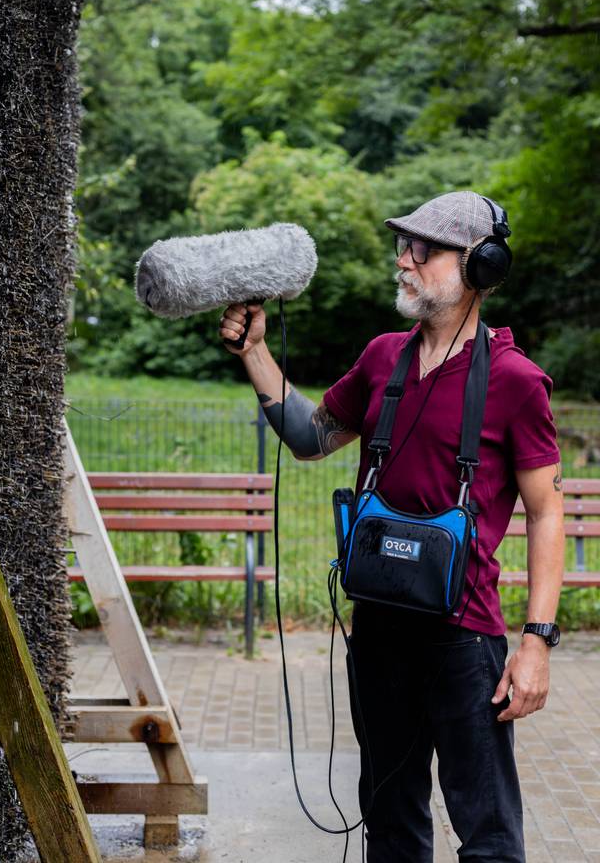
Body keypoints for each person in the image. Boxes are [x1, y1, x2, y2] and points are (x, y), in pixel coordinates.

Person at [219, 191, 565, 863]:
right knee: (390, 821)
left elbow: (547, 511)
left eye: (422, 249)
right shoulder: (382, 358)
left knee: (488, 833)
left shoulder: (518, 382)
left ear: (481, 265)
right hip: (376, 631)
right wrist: (256, 353)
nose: (403, 260)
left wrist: (537, 642)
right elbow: (311, 439)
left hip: (465, 642)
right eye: (402, 245)